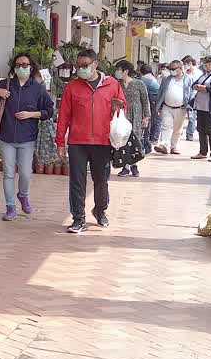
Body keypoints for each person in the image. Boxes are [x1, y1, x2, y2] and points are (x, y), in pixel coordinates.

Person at [55, 48, 127, 233]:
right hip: (78, 141)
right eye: (78, 66)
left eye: (85, 65)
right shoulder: (72, 87)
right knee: (77, 181)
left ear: (95, 64)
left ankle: (100, 210)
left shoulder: (112, 85)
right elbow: (63, 115)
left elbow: (123, 108)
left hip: (103, 141)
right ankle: (78, 218)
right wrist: (60, 142)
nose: (81, 69)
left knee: (101, 180)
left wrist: (118, 107)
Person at [0, 53, 55, 221]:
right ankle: (10, 207)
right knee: (8, 174)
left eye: (25, 65)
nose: (22, 68)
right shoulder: (6, 85)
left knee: (26, 173)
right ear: (14, 68)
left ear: (31, 67)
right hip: (6, 137)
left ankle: (23, 195)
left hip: (27, 138)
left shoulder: (37, 88)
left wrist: (31, 114)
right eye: (18, 65)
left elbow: (49, 111)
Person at [114, 60, 151, 177]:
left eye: (119, 70)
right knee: (122, 140)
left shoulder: (139, 84)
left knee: (135, 140)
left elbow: (145, 101)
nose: (117, 72)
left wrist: (146, 117)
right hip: (122, 116)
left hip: (136, 116)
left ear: (126, 71)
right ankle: (125, 167)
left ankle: (134, 165)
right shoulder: (117, 84)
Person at [153, 59, 194, 155]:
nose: (171, 70)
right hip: (167, 107)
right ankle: (164, 145)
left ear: (180, 69)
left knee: (177, 129)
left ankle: (174, 147)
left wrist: (189, 107)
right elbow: (161, 92)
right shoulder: (166, 78)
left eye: (173, 69)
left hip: (181, 108)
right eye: (170, 68)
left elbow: (191, 93)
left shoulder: (188, 79)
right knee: (166, 126)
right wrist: (158, 106)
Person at [139, 63, 161, 152]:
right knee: (155, 121)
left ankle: (148, 143)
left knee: (149, 123)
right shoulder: (152, 78)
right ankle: (152, 139)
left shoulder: (143, 80)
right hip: (155, 101)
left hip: (151, 102)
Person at [181, 56, 200, 142]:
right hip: (183, 97)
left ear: (190, 63)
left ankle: (190, 134)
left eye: (185, 64)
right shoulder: (184, 73)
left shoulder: (198, 73)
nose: (184, 66)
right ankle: (179, 131)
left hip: (194, 98)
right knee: (180, 115)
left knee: (192, 117)